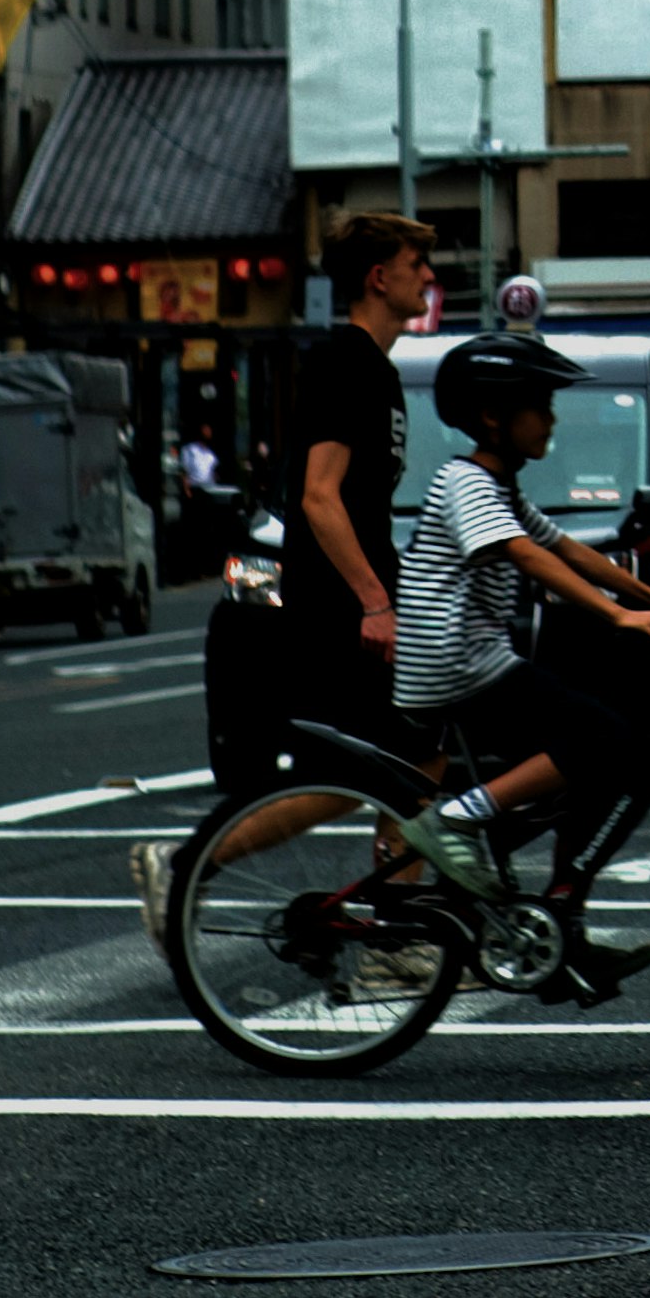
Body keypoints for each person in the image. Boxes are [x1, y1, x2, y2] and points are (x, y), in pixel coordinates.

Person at [137, 209, 433, 949]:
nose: (428, 277)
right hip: (333, 605)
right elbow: (318, 496)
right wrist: (373, 601)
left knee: (409, 761)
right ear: (378, 277)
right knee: (365, 770)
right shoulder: (346, 365)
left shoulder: (379, 368)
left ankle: (394, 935)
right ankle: (186, 863)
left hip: (355, 600)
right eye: (416, 264)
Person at [388, 341, 650, 1000]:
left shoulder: (499, 485)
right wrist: (617, 617)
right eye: (541, 406)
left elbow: (567, 548)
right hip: (456, 665)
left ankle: (562, 929)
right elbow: (521, 554)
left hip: (474, 661)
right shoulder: (466, 482)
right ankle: (457, 820)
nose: (551, 419)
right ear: (494, 418)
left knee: (605, 757)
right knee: (601, 738)